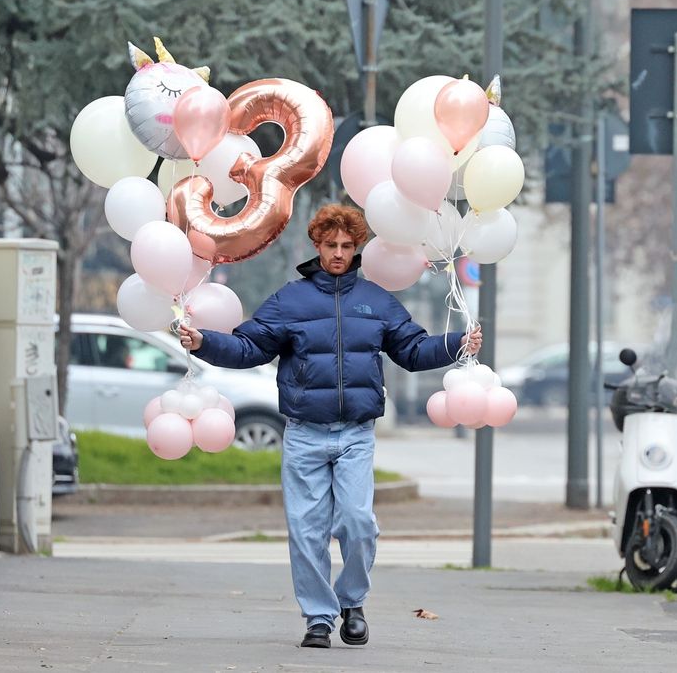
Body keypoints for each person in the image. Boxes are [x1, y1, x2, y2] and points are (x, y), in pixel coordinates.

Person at [179, 204, 481, 649]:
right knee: (307, 531)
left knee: (359, 522)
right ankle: (318, 618)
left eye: (346, 246)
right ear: (316, 245)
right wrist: (205, 341)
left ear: (356, 247)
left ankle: (352, 601)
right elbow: (248, 347)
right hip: (303, 433)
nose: (338, 253)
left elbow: (413, 351)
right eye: (330, 245)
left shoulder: (376, 300)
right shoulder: (291, 300)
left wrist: (456, 343)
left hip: (355, 433)